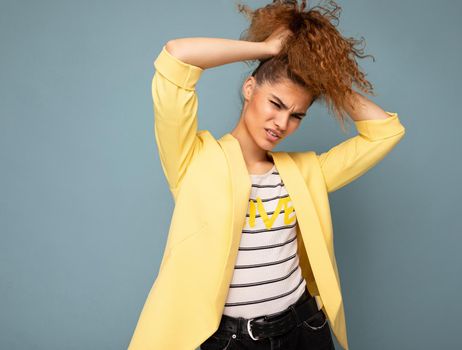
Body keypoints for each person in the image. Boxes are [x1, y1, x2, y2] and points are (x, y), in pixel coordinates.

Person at [128, 1, 406, 349]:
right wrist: (267, 49)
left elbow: (384, 131)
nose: (282, 124)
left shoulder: (306, 173)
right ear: (249, 89)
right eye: (275, 104)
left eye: (296, 115)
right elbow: (177, 56)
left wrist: (327, 78)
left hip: (304, 328)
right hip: (231, 340)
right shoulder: (194, 160)